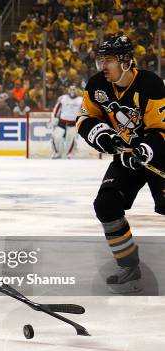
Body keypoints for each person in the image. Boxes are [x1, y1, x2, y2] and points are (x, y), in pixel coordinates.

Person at [76, 35, 165, 293]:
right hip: (126, 155)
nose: (103, 65)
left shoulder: (150, 84)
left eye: (109, 60)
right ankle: (128, 265)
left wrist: (143, 150)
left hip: (158, 153)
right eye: (100, 59)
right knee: (106, 204)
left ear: (125, 61)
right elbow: (85, 119)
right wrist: (103, 136)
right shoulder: (96, 86)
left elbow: (161, 130)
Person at [49, 84, 83, 158]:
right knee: (55, 136)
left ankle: (69, 153)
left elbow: (84, 111)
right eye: (71, 89)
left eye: (74, 89)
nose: (72, 91)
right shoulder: (62, 98)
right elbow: (56, 109)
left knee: (72, 138)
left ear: (77, 91)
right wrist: (54, 118)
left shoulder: (81, 100)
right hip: (62, 122)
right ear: (68, 90)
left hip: (73, 123)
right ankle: (56, 152)